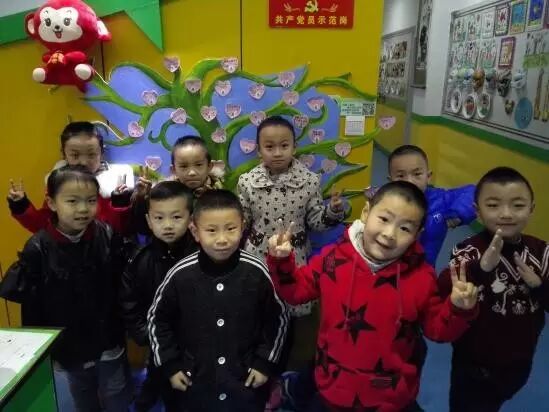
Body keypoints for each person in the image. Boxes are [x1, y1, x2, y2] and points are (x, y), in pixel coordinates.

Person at [267, 181, 479, 411]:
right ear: (366, 212)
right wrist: (281, 262)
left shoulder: (422, 278)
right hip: (333, 387)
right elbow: (296, 291)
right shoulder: (332, 260)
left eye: (405, 228)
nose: (389, 234)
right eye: (384, 219)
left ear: (417, 235)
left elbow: (437, 330)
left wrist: (458, 309)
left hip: (391, 397)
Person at [0, 165, 132, 412]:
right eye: (72, 201)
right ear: (51, 203)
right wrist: (41, 346)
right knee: (81, 393)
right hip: (68, 342)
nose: (83, 209)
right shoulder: (38, 247)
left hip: (107, 336)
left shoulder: (107, 235)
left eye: (91, 201)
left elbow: (123, 285)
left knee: (116, 393)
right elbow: (32, 305)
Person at [147, 189, 289, 412]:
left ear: (242, 227)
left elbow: (278, 318)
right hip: (194, 382)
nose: (222, 239)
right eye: (211, 230)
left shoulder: (257, 271)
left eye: (230, 229)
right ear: (195, 231)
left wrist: (264, 363)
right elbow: (157, 320)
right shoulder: (180, 274)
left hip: (245, 382)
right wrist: (171, 365)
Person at [438, 167, 548, 412]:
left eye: (517, 205)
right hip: (474, 366)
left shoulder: (541, 251)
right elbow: (443, 289)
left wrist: (539, 286)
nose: (506, 214)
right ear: (477, 211)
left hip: (520, 363)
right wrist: (480, 269)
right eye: (493, 205)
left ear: (531, 208)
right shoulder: (468, 250)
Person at [120, 181, 197, 411]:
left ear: (191, 218)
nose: (168, 225)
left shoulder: (202, 257)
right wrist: (145, 335)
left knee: (189, 395)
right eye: (159, 218)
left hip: (195, 348)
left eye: (176, 217)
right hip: (157, 344)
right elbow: (129, 300)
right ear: (148, 221)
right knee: (160, 381)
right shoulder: (140, 259)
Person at [7, 121, 134, 234]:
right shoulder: (58, 183)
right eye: (75, 155)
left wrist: (120, 204)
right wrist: (21, 205)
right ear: (64, 155)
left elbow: (119, 229)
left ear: (101, 154)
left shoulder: (114, 185)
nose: (83, 162)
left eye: (91, 154)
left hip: (103, 249)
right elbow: (43, 225)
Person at [387, 144, 476, 267]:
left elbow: (474, 191)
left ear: (428, 177)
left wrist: (458, 212)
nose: (410, 181)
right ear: (390, 181)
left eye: (417, 174)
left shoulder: (440, 201)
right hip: (388, 269)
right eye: (401, 176)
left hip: (425, 270)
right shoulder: (384, 203)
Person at [132, 135, 222, 235]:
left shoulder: (220, 196)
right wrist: (142, 198)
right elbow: (144, 227)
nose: (192, 172)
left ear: (209, 166)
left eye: (199, 165)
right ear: (174, 170)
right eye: (183, 166)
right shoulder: (165, 195)